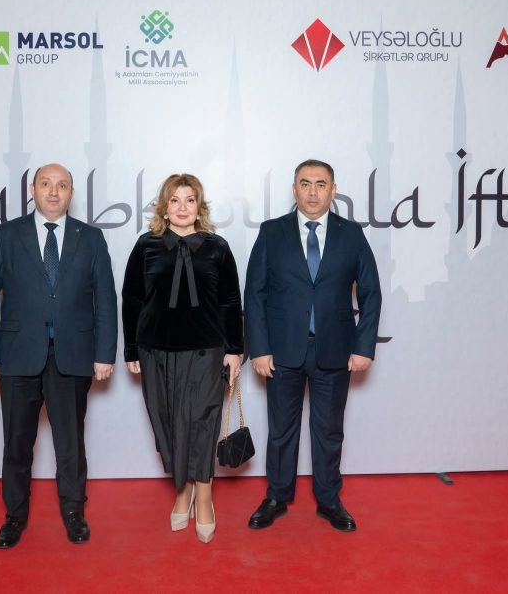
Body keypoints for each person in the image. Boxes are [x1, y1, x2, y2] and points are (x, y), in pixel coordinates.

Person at [0, 163, 117, 549]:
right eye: (46, 184)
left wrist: (105, 353)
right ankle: (15, 516)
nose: (54, 191)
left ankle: (74, 512)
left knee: (71, 443)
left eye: (62, 185)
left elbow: (106, 299)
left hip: (73, 356)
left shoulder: (91, 238)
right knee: (17, 443)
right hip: (17, 355)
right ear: (33, 190)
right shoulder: (6, 236)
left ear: (71, 192)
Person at [244, 159, 382, 532]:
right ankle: (276, 497)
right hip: (282, 351)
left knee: (329, 430)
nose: (312, 192)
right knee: (281, 430)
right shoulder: (272, 232)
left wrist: (364, 346)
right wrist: (259, 348)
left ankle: (329, 499)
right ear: (294, 189)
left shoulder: (351, 234)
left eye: (321, 184)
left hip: (334, 350)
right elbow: (254, 294)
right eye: (305, 183)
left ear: (333, 190)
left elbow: (371, 293)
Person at [122, 174, 244, 544]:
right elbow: (131, 299)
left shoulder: (217, 247)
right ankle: (182, 488)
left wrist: (234, 349)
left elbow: (230, 301)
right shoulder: (146, 246)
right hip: (156, 350)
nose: (182, 208)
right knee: (168, 424)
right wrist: (131, 349)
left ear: (199, 206)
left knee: (202, 421)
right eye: (174, 200)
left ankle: (203, 495)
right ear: (164, 207)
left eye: (189, 200)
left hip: (206, 351)